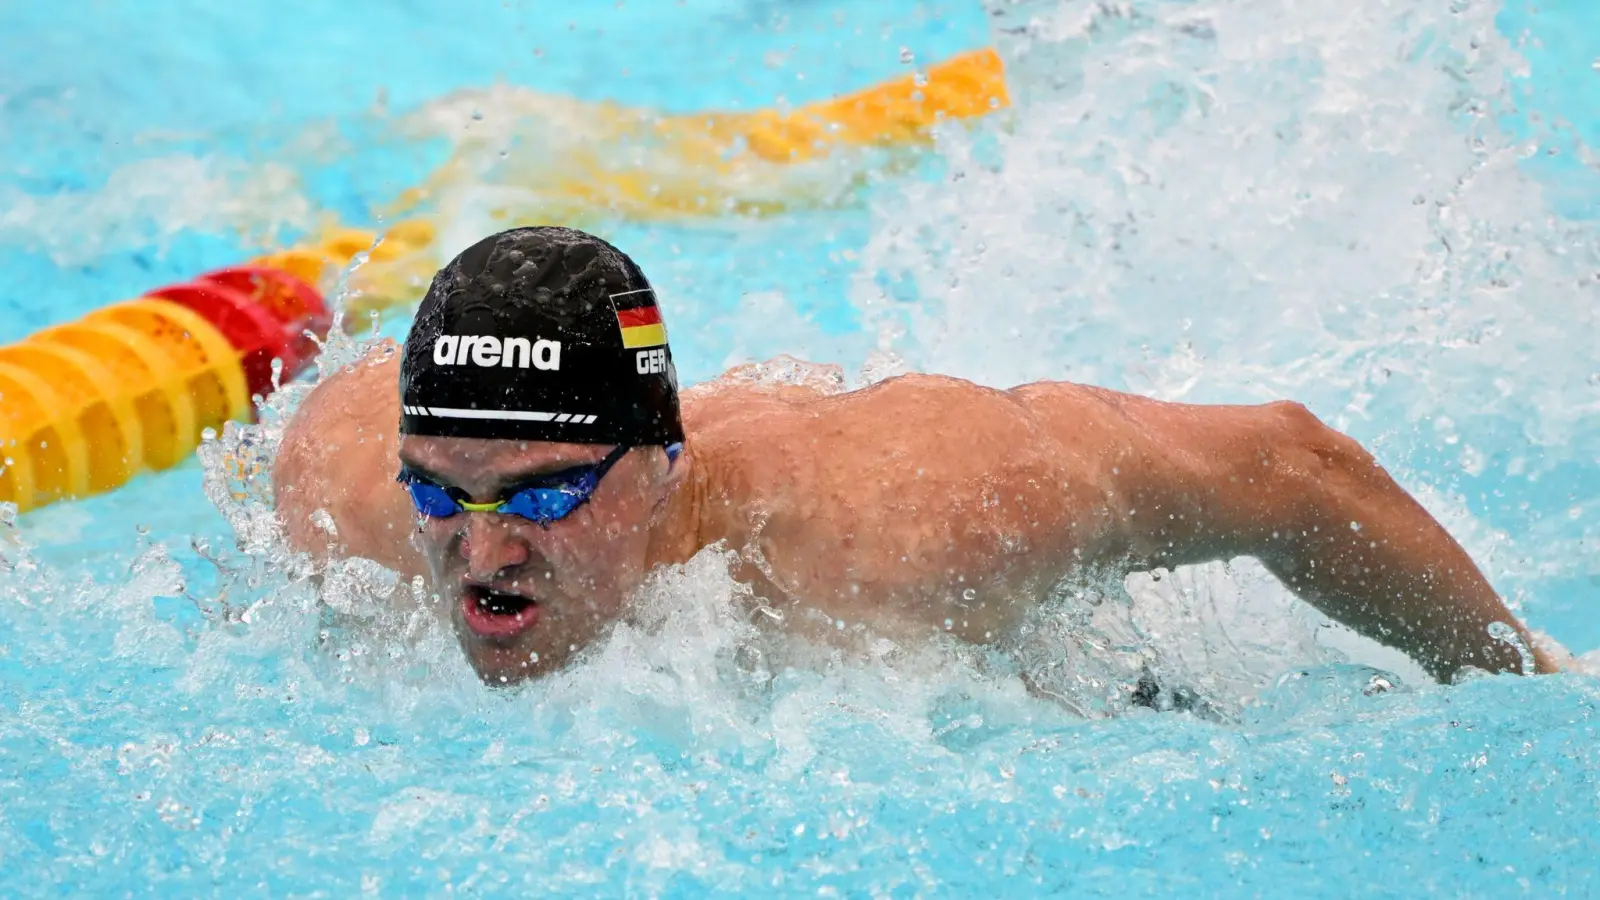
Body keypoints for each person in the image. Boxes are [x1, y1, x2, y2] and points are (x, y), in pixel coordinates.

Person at [272, 225, 1558, 689]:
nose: (482, 551)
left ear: (661, 466)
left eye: (547, 495)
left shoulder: (913, 517)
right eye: (446, 487)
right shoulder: (347, 485)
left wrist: (1520, 677)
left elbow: (1295, 469)